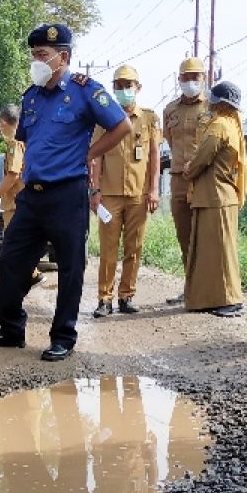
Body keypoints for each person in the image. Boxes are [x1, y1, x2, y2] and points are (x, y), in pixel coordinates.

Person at [0, 23, 130, 362]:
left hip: (68, 194)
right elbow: (29, 138)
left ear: (64, 57)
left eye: (43, 55)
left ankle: (63, 336)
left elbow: (122, 125)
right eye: (33, 55)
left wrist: (89, 153)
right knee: (11, 260)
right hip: (32, 195)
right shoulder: (30, 96)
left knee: (70, 267)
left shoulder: (85, 90)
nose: (37, 61)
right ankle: (11, 329)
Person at [88, 64, 161, 318]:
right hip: (108, 195)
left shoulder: (150, 118)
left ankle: (126, 296)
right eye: (118, 85)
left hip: (138, 195)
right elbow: (95, 157)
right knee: (108, 250)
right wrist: (94, 191)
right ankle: (104, 299)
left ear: (138, 88)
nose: (123, 90)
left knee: (134, 247)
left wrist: (154, 190)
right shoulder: (104, 118)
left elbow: (154, 158)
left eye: (128, 85)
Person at [182, 80, 246, 317]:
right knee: (213, 253)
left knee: (221, 253)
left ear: (219, 102)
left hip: (216, 197)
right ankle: (211, 298)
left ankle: (231, 299)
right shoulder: (231, 125)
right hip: (215, 197)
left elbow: (202, 158)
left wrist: (188, 170)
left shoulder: (219, 126)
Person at [162, 57, 211, 305]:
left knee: (205, 235)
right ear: (179, 79)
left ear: (204, 78)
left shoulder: (213, 108)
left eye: (196, 77)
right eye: (186, 77)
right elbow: (170, 140)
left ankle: (208, 291)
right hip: (178, 179)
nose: (190, 81)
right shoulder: (170, 110)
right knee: (185, 235)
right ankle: (190, 288)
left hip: (204, 179)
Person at [0, 105, 43, 289]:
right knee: (19, 246)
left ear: (3, 122)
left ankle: (16, 284)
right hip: (23, 202)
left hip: (15, 204)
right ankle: (28, 277)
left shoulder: (15, 144)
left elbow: (13, 174)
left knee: (11, 248)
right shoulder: (26, 140)